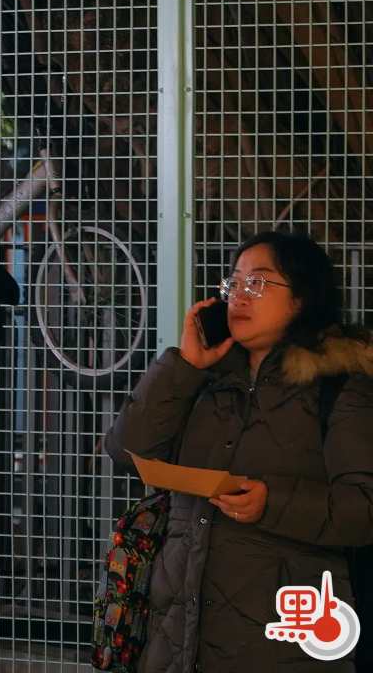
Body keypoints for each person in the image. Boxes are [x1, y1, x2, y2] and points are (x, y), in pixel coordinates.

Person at [104, 231, 373, 672]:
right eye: (234, 283)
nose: (240, 296)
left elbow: (363, 508)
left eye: (259, 282)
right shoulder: (202, 380)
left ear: (302, 298)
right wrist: (184, 366)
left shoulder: (341, 389)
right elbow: (125, 451)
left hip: (281, 642)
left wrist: (273, 503)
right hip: (177, 638)